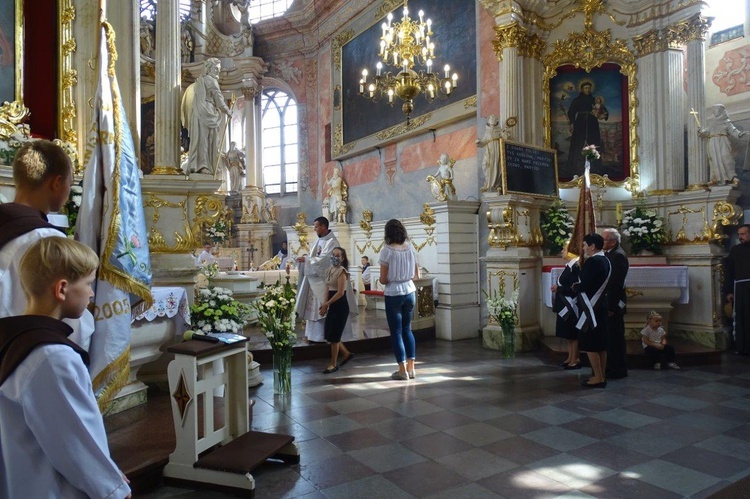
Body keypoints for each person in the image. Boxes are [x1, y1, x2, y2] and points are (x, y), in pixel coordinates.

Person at [0, 237, 131, 498]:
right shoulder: (52, 357)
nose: (92, 293)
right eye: (87, 283)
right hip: (51, 486)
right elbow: (72, 439)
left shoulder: (16, 339)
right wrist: (112, 488)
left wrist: (109, 472)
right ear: (62, 289)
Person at [0, 140, 94, 351]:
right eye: (69, 184)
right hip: (33, 352)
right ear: (57, 183)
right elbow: (70, 319)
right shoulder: (47, 242)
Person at [563, 233, 611, 388]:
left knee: (592, 344)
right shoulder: (606, 260)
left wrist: (574, 286)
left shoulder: (594, 262)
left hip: (591, 308)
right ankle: (601, 375)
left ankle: (598, 377)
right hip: (600, 306)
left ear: (592, 246)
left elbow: (583, 283)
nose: (583, 248)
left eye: (585, 245)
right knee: (601, 345)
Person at [295, 217, 352, 343]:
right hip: (315, 280)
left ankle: (322, 336)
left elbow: (325, 261)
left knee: (322, 308)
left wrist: (307, 260)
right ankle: (312, 335)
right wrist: (305, 259)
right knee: (314, 310)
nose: (314, 229)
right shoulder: (319, 240)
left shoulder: (332, 242)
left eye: (316, 226)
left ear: (323, 227)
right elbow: (314, 258)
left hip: (325, 281)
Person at [379, 219, 420, 380]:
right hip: (410, 291)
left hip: (394, 292)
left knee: (396, 332)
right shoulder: (410, 248)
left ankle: (402, 370)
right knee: (407, 329)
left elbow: (382, 279)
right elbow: (417, 275)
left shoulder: (386, 251)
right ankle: (412, 368)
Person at [182, 58, 232, 175]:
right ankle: (204, 165)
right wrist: (227, 111)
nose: (217, 72)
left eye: (218, 70)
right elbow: (219, 99)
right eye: (215, 69)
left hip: (198, 113)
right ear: (209, 69)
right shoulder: (211, 81)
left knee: (200, 139)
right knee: (206, 141)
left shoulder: (199, 81)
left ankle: (197, 165)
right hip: (206, 111)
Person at [319, 247, 355, 374]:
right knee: (330, 333)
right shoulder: (329, 270)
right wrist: (324, 304)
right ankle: (346, 354)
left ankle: (333, 364)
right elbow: (327, 289)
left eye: (338, 255)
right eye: (333, 254)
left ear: (342, 258)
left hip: (340, 306)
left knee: (334, 336)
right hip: (331, 304)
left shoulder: (342, 272)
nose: (335, 257)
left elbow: (340, 293)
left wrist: (327, 303)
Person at [698, 104, 750, 184]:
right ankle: (715, 179)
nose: (715, 111)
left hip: (723, 141)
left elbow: (733, 130)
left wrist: (740, 134)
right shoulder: (711, 122)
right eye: (714, 109)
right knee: (714, 159)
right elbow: (706, 132)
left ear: (721, 111)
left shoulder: (726, 121)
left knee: (726, 157)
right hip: (713, 142)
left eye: (717, 109)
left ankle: (732, 177)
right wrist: (701, 132)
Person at [603, 228, 629, 379]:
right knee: (611, 337)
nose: (602, 242)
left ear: (613, 241)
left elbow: (616, 283)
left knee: (616, 338)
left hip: (614, 305)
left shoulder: (617, 255)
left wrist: (611, 307)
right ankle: (612, 367)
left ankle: (618, 369)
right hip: (611, 303)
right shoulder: (611, 254)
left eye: (604, 239)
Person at [551, 243, 581, 370]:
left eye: (564, 249)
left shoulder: (575, 266)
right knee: (568, 335)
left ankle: (575, 359)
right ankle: (570, 357)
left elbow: (575, 287)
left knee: (573, 335)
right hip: (564, 305)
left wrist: (559, 288)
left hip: (571, 306)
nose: (562, 251)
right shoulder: (569, 266)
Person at [566, 81, 603, 177]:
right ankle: (578, 166)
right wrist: (572, 122)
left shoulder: (593, 100)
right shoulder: (577, 100)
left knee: (592, 142)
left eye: (589, 88)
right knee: (579, 142)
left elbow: (599, 110)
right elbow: (571, 112)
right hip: (580, 123)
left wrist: (600, 112)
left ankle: (594, 167)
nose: (587, 89)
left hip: (592, 123)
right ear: (582, 89)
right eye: (586, 88)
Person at [724, 224, 750, 354]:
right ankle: (742, 347)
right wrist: (728, 291)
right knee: (741, 318)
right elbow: (730, 271)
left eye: (743, 234)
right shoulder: (735, 250)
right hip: (740, 289)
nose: (740, 237)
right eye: (739, 234)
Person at [476, 114, 503, 192]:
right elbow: (483, 141)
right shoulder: (487, 132)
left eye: (494, 120)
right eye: (491, 120)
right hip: (490, 151)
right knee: (485, 165)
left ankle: (497, 184)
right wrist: (478, 142)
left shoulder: (499, 131)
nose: (493, 122)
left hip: (497, 151)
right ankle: (488, 183)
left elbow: (505, 138)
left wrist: (506, 134)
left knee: (497, 166)